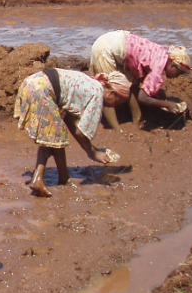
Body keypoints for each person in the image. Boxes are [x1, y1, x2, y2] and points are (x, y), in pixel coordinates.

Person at [13, 68, 130, 197]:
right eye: (119, 102)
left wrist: (91, 149)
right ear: (112, 93)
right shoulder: (98, 95)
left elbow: (69, 120)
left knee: (56, 137)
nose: (114, 107)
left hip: (32, 82)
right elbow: (80, 133)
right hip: (43, 90)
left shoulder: (92, 84)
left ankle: (64, 178)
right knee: (53, 138)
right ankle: (38, 179)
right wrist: (93, 152)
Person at [88, 30, 192, 129]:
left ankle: (137, 119)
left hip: (116, 41)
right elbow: (143, 98)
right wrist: (167, 104)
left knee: (129, 84)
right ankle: (117, 129)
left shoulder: (161, 54)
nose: (177, 76)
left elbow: (138, 81)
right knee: (108, 89)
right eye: (179, 72)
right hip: (106, 50)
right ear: (172, 66)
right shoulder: (157, 70)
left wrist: (155, 91)